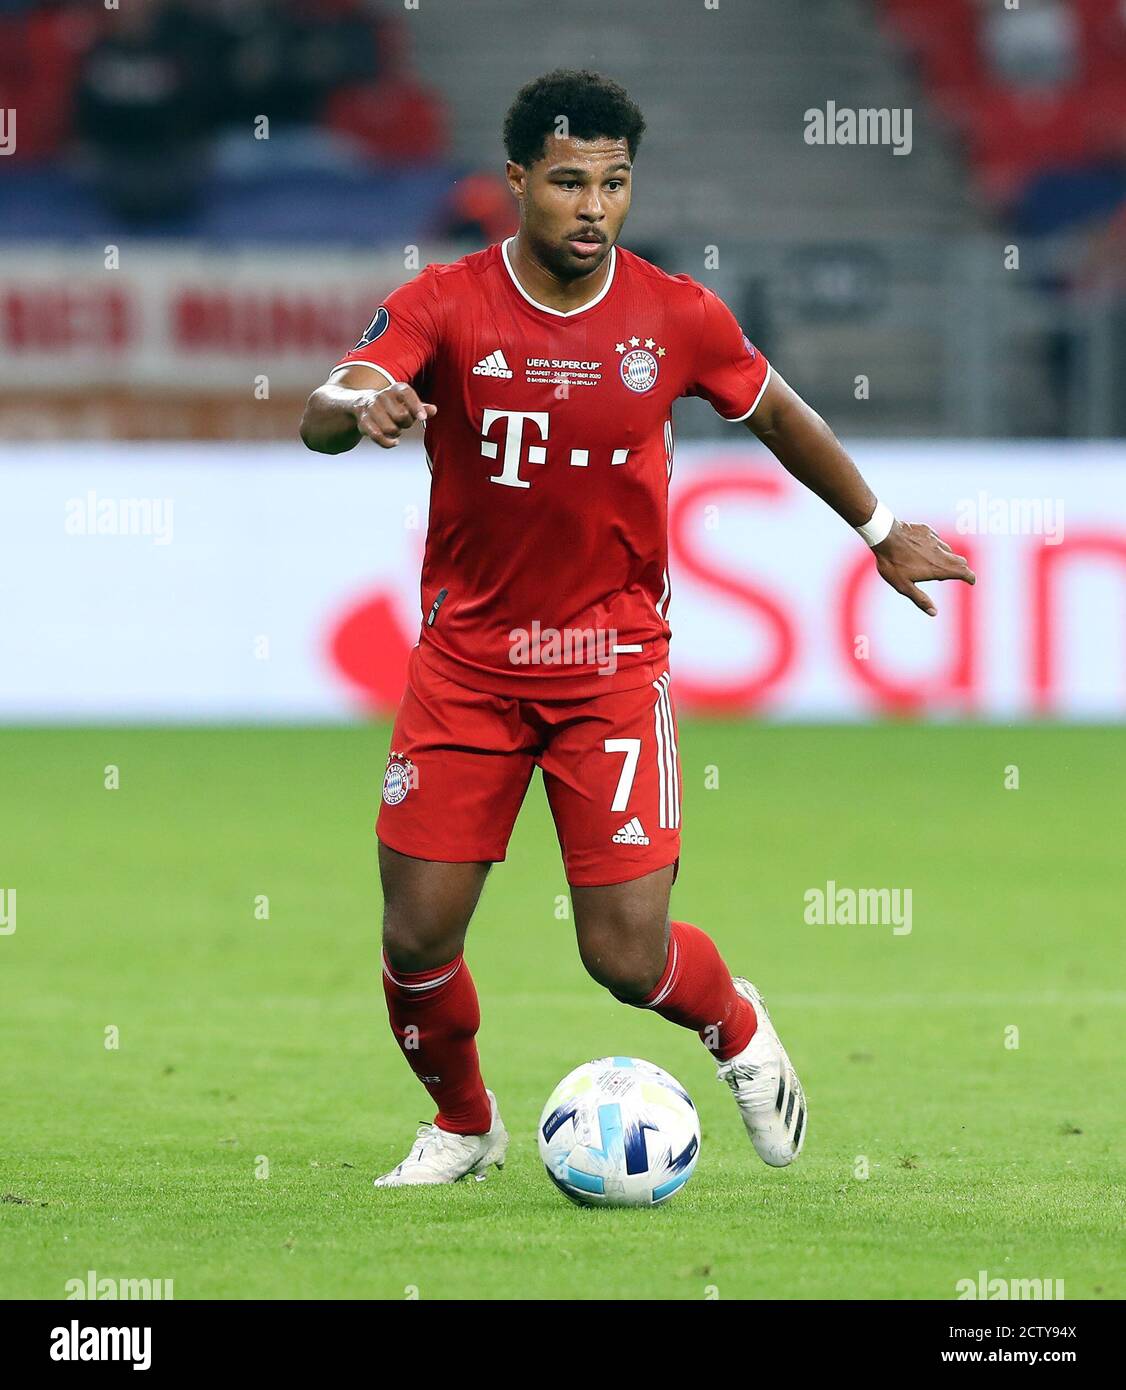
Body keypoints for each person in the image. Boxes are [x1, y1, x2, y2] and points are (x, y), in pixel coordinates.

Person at [301, 69, 975, 1187]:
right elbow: (331, 397)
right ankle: (465, 1124)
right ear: (515, 181)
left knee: (623, 956)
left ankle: (738, 1027)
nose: (594, 206)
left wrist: (879, 525)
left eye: (614, 183)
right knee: (416, 937)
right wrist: (355, 410)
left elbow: (776, 411)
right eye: (569, 181)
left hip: (609, 669)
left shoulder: (672, 314)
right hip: (465, 668)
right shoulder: (445, 300)